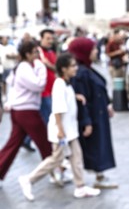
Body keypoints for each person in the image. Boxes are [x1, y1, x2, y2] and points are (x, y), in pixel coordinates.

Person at [18, 53, 100, 201]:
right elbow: (57, 109)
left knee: (76, 157)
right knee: (56, 159)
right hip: (62, 130)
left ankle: (80, 187)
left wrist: (76, 96)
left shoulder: (66, 83)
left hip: (70, 130)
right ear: (64, 69)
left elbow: (65, 98)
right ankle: (29, 179)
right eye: (72, 66)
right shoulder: (59, 84)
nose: (76, 68)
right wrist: (61, 131)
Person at [0, 41, 52, 188]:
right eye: (35, 52)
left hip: (21, 109)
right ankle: (56, 170)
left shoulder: (22, 67)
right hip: (26, 110)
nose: (37, 55)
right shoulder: (24, 67)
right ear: (27, 54)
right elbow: (38, 85)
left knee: (13, 144)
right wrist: (42, 68)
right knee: (44, 143)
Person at [68, 37, 117, 189]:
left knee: (99, 145)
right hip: (93, 117)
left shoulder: (88, 69)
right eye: (93, 49)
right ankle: (97, 177)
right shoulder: (81, 73)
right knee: (94, 147)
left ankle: (100, 175)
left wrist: (107, 104)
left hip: (99, 114)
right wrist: (86, 121)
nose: (96, 51)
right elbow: (81, 101)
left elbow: (99, 89)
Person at [22, 29, 57, 152]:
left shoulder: (51, 52)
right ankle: (50, 147)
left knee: (42, 119)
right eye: (47, 38)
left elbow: (55, 67)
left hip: (51, 90)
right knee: (48, 119)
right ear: (41, 38)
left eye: (51, 38)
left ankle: (26, 139)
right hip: (43, 92)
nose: (50, 41)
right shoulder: (38, 52)